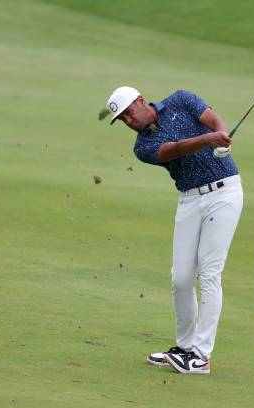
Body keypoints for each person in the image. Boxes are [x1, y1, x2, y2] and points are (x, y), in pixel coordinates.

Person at [104, 86, 243, 374]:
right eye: (123, 120)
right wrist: (209, 140)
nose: (129, 122)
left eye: (129, 113)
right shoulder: (142, 147)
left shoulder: (182, 99)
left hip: (224, 193)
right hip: (190, 199)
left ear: (141, 101)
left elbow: (214, 120)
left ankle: (201, 356)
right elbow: (176, 150)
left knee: (209, 272)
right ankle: (185, 347)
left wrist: (222, 137)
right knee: (180, 278)